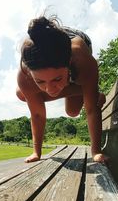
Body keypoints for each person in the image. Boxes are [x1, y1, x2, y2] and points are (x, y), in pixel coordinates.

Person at [16, 15, 109, 163]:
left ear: (69, 65)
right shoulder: (24, 75)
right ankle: (86, 90)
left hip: (78, 46)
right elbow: (38, 115)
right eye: (40, 81)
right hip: (50, 45)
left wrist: (96, 151)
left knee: (73, 111)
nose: (49, 88)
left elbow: (92, 109)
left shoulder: (82, 62)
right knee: (21, 94)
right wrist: (36, 152)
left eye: (57, 79)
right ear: (30, 72)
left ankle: (89, 88)